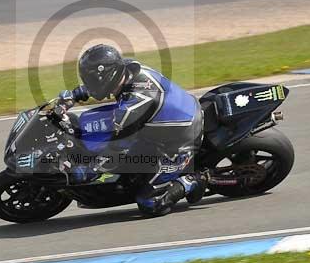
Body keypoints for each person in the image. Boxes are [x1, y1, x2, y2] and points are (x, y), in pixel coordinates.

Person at [56, 44, 206, 216]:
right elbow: (99, 86)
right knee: (90, 125)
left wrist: (89, 170)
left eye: (92, 80)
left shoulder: (132, 106)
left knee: (150, 203)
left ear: (108, 76)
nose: (89, 84)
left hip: (181, 141)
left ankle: (193, 180)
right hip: (163, 123)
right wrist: (74, 95)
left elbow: (116, 149)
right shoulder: (126, 68)